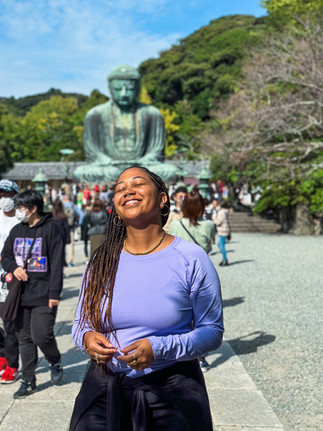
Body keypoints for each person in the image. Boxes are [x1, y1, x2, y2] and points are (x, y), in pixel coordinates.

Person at [70, 166, 223, 430]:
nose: (127, 190)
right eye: (119, 188)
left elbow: (212, 331)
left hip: (170, 388)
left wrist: (160, 348)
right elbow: (81, 322)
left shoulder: (191, 258)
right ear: (116, 206)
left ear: (163, 198)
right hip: (104, 386)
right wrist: (86, 338)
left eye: (138, 183)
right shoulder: (101, 260)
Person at [1, 190, 64, 398]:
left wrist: (54, 293)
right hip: (20, 294)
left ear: (33, 208)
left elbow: (56, 263)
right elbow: (6, 255)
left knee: (42, 335)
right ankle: (28, 379)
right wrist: (14, 269)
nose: (18, 211)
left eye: (21, 208)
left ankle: (54, 360)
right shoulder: (18, 230)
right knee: (24, 339)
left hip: (44, 293)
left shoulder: (51, 229)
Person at [74, 65, 177, 183]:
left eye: (130, 89)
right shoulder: (95, 115)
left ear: (138, 88)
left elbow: (156, 151)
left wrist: (145, 160)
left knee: (169, 171)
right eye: (118, 89)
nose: (124, 94)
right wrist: (107, 161)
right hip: (110, 168)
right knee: (81, 173)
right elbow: (93, 152)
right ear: (110, 88)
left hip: (143, 166)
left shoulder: (152, 114)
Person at [168, 190, 216, 373]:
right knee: (201, 317)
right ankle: (200, 356)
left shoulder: (176, 225)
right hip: (203, 273)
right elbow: (210, 245)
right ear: (202, 207)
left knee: (183, 315)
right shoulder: (209, 224)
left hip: (180, 274)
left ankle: (180, 352)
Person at [0, 179, 20, 384]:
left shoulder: (20, 221)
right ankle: (2, 354)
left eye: (8, 194)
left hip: (11, 276)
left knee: (9, 321)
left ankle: (12, 365)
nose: (4, 198)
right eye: (1, 194)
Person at [51, 198, 70, 266]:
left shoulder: (52, 216)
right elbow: (66, 228)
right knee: (61, 254)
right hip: (62, 237)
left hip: (53, 238)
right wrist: (68, 239)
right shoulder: (63, 216)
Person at [214, 199, 231, 266]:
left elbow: (218, 222)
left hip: (223, 230)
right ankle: (224, 259)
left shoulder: (222, 212)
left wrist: (213, 218)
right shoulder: (223, 211)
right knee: (219, 244)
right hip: (224, 230)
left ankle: (225, 260)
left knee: (221, 245)